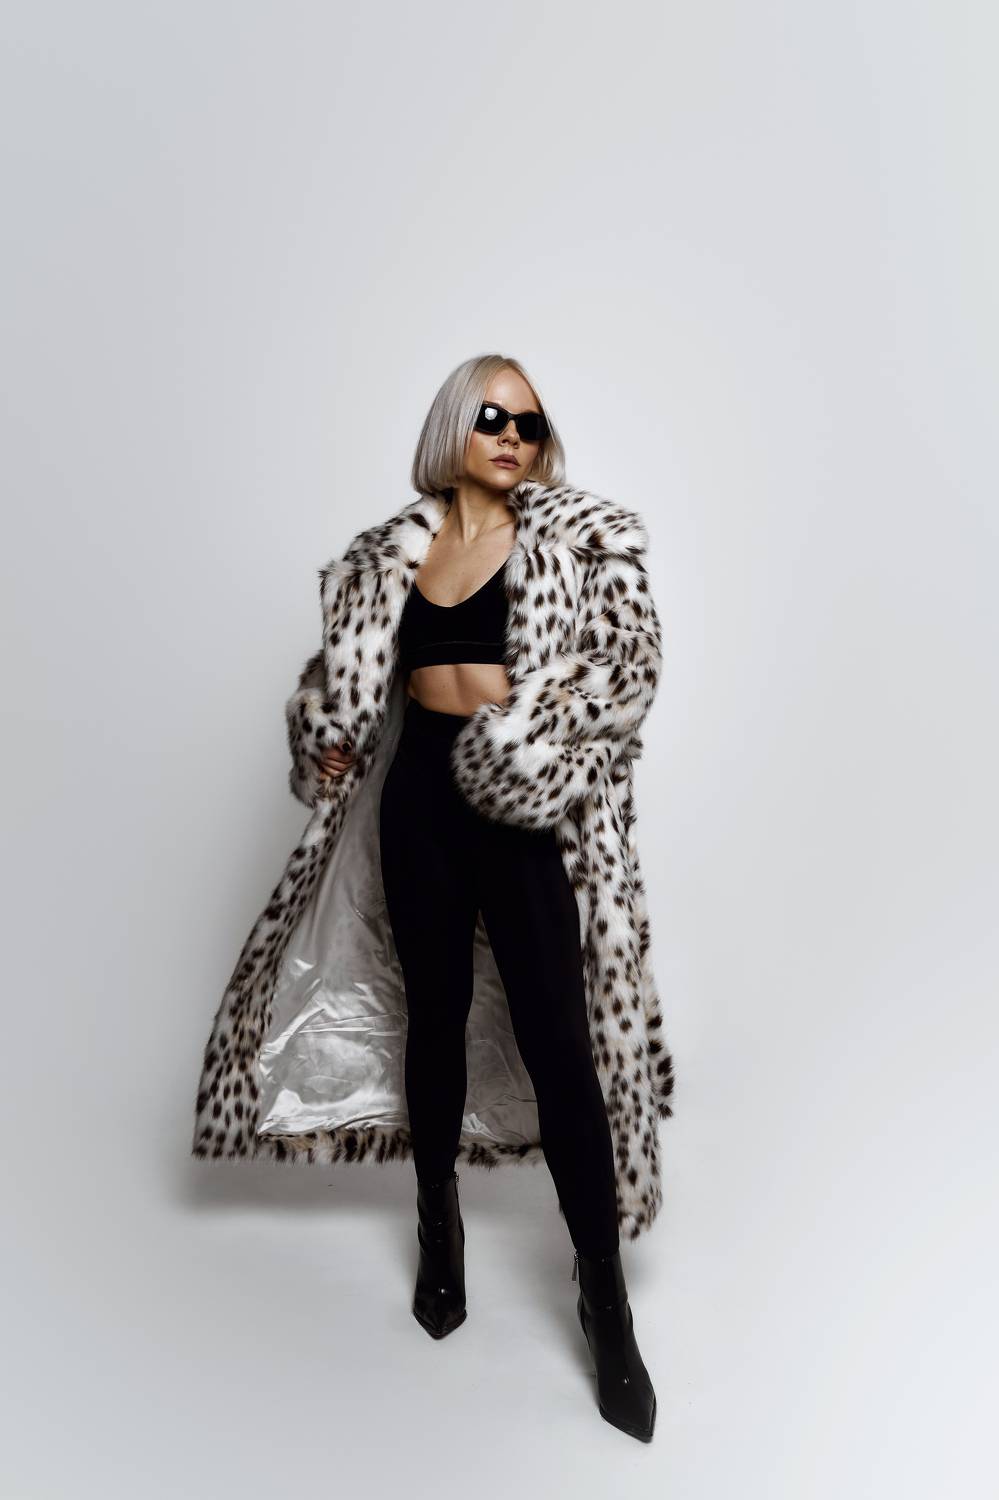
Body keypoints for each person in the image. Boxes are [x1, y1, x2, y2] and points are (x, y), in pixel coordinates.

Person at [192, 351, 671, 1444]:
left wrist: (532, 742)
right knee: (434, 1022)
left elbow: (629, 670)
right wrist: (324, 741)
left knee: (560, 1045)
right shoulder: (387, 557)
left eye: (531, 425)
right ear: (455, 425)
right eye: (494, 417)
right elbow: (339, 687)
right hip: (419, 802)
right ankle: (439, 1231)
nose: (514, 438)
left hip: (518, 805)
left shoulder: (578, 542)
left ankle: (604, 1300)